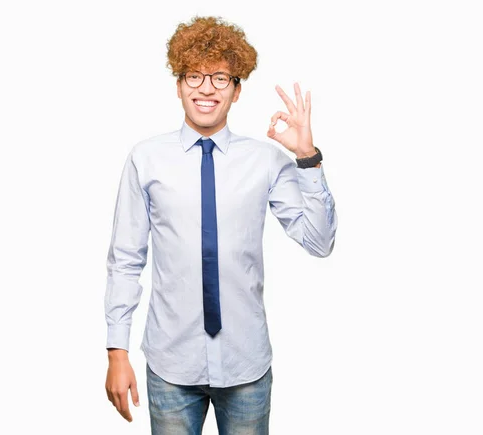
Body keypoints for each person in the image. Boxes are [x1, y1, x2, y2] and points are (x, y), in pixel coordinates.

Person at [104, 15, 338, 435]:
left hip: (245, 365)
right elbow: (125, 259)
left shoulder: (265, 161)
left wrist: (307, 158)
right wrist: (116, 352)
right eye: (194, 75)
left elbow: (320, 243)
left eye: (219, 77)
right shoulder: (145, 158)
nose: (206, 88)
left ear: (236, 89)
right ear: (178, 85)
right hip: (171, 366)